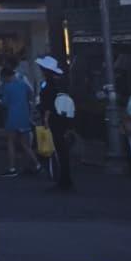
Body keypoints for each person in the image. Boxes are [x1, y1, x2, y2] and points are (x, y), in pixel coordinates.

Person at [35, 55, 74, 192]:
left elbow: (48, 104)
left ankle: (63, 181)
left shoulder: (49, 84)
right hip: (62, 118)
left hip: (54, 119)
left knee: (58, 149)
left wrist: (45, 118)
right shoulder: (59, 83)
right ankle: (65, 180)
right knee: (62, 150)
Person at [0, 62, 35, 178]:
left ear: (5, 76)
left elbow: (4, 102)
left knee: (11, 142)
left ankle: (12, 168)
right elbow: (31, 94)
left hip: (13, 117)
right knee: (25, 144)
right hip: (24, 116)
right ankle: (35, 165)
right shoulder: (23, 83)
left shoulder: (7, 86)